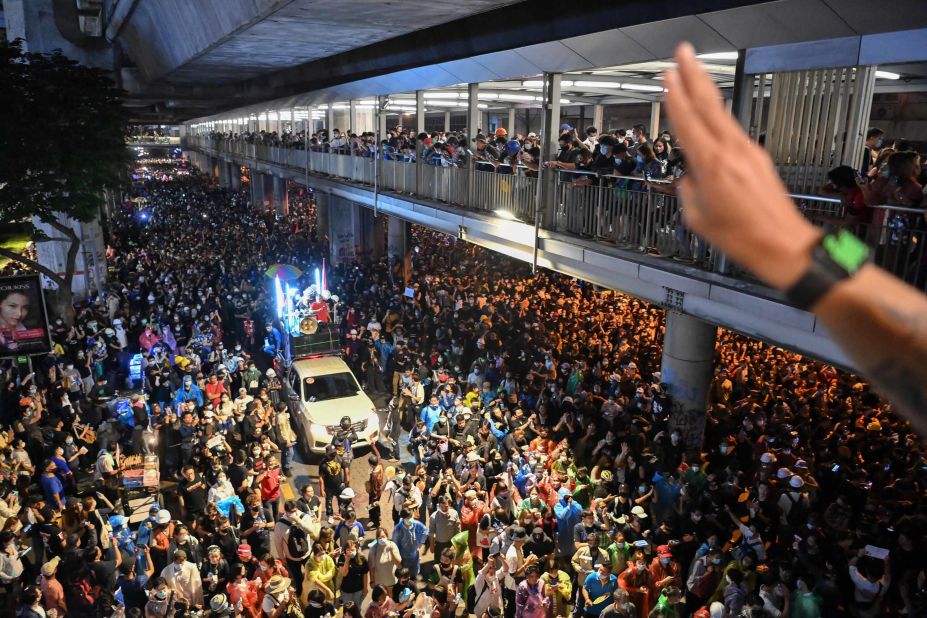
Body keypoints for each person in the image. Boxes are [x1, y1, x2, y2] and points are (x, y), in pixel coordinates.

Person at [663, 42, 927, 438]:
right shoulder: (871, 199)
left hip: (880, 248)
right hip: (871, 247)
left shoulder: (905, 198)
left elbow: (857, 226)